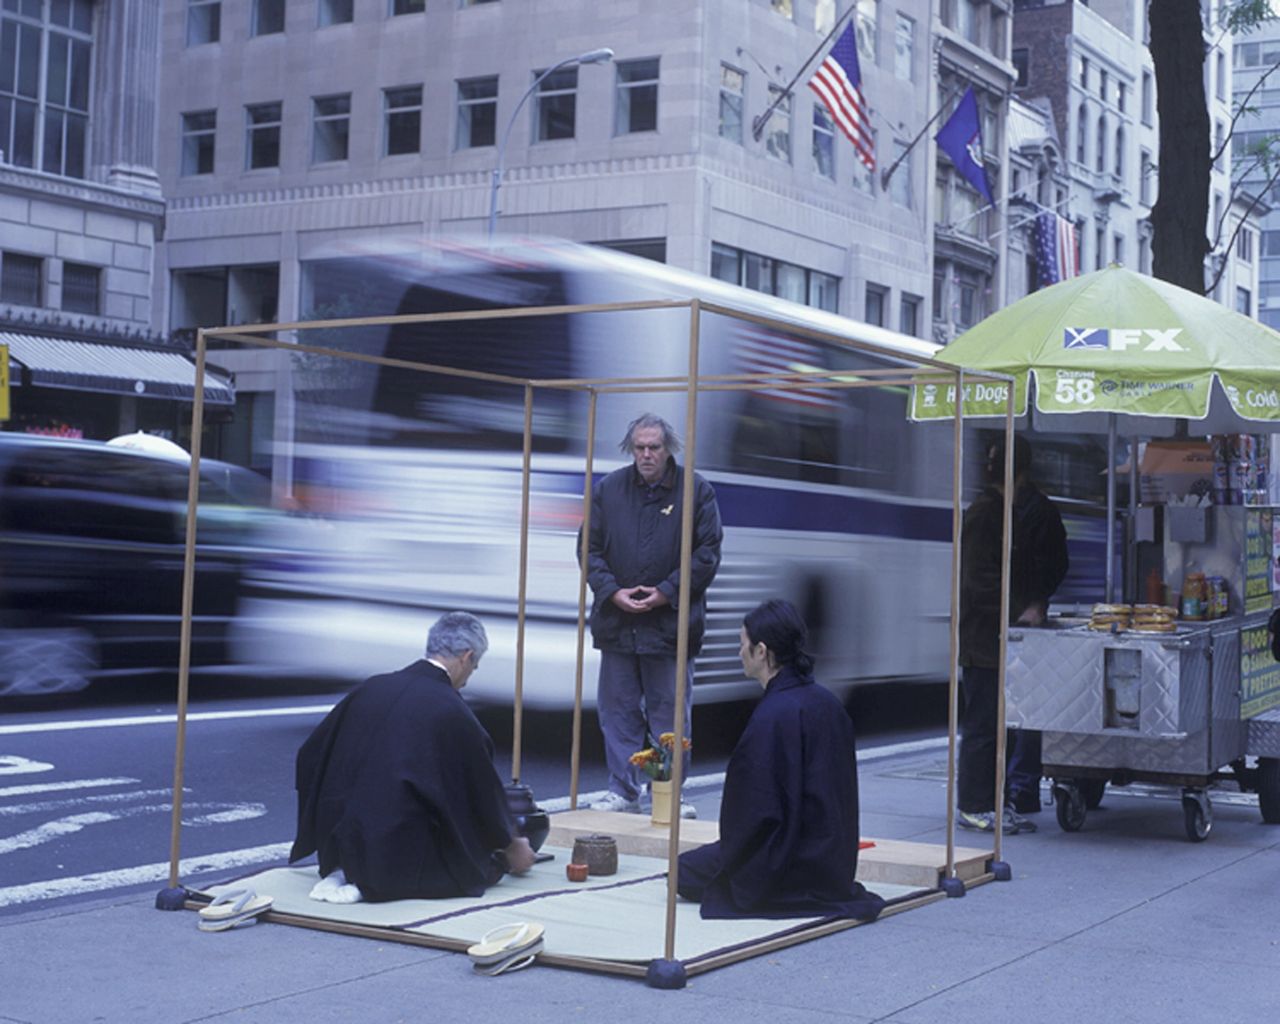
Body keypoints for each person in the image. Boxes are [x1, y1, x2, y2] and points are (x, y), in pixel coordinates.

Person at [289, 611, 535, 902]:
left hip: (339, 841)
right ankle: (370, 880)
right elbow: (480, 790)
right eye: (475, 667)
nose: (468, 679)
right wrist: (511, 844)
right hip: (394, 851)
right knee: (480, 867)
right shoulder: (452, 711)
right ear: (466, 657)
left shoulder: (371, 687)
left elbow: (309, 756)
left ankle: (345, 867)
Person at [676, 599, 885, 921]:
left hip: (786, 863)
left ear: (762, 651)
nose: (739, 652)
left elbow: (752, 813)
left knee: (684, 871)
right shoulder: (828, 703)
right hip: (833, 863)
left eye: (742, 644)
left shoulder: (772, 716)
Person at [582, 412, 723, 816]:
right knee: (618, 710)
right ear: (631, 449)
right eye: (639, 448)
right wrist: (612, 592)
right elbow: (588, 550)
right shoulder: (608, 489)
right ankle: (623, 791)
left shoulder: (696, 491)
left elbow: (708, 553)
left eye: (654, 448)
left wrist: (666, 592)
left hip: (669, 625)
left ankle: (668, 793)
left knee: (669, 712)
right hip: (618, 622)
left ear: (668, 449)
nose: (646, 455)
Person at [957, 434, 1069, 834]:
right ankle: (974, 805)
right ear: (1022, 468)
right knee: (984, 726)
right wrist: (1020, 610)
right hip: (985, 641)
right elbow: (977, 582)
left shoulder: (1004, 511)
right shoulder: (987, 514)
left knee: (998, 726)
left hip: (999, 638)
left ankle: (994, 802)